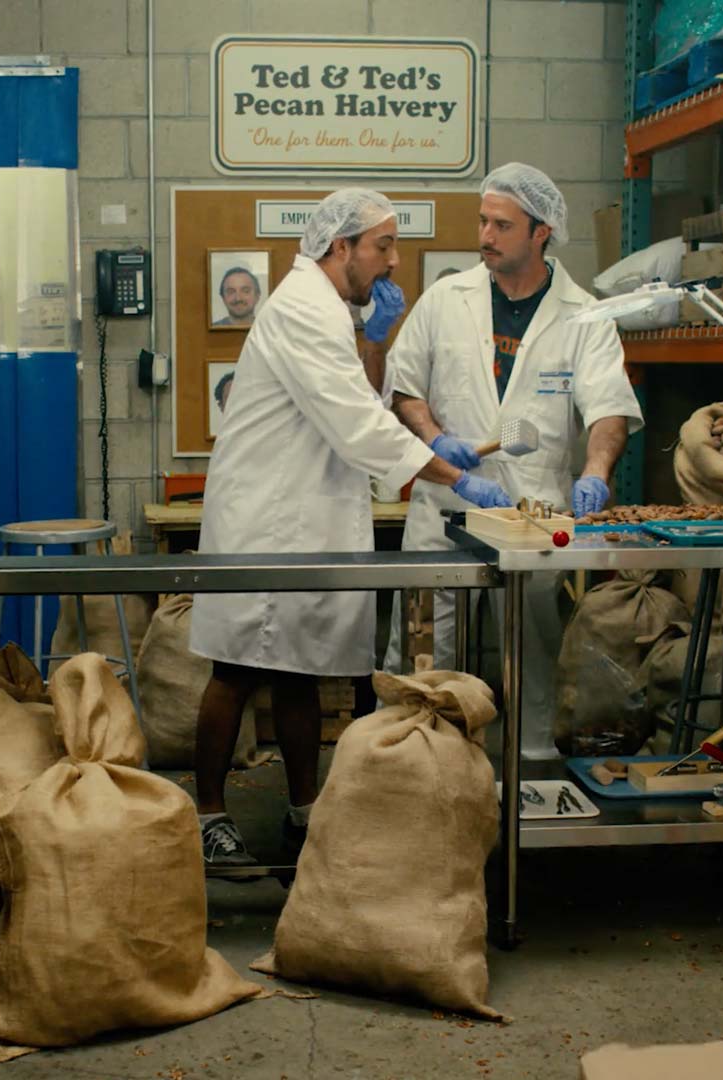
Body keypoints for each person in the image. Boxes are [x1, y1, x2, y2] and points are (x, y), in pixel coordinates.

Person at [190, 188, 513, 866]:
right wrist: (452, 476)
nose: (394, 262)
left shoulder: (331, 310)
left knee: (302, 666)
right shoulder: (304, 309)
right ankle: (209, 814)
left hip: (304, 515)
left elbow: (359, 400)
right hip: (266, 518)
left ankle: (305, 811)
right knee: (239, 667)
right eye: (383, 247)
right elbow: (359, 423)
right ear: (341, 248)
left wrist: (375, 341)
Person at [382, 163, 643, 760]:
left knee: (533, 647)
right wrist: (434, 434)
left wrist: (596, 471)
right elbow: (403, 386)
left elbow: (608, 410)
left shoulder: (584, 315)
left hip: (534, 509)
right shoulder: (448, 298)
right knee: (424, 645)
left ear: (541, 231)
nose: (486, 235)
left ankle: (532, 772)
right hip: (446, 501)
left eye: (502, 224)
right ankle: (413, 763)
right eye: (483, 221)